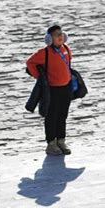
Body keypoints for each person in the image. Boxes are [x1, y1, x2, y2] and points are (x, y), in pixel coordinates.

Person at [26, 25, 73, 155]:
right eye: (56, 34)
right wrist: (40, 77)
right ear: (49, 39)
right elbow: (30, 63)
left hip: (66, 88)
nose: (60, 36)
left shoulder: (66, 49)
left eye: (61, 33)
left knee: (63, 115)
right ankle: (51, 143)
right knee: (51, 116)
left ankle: (61, 141)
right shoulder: (44, 52)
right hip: (52, 90)